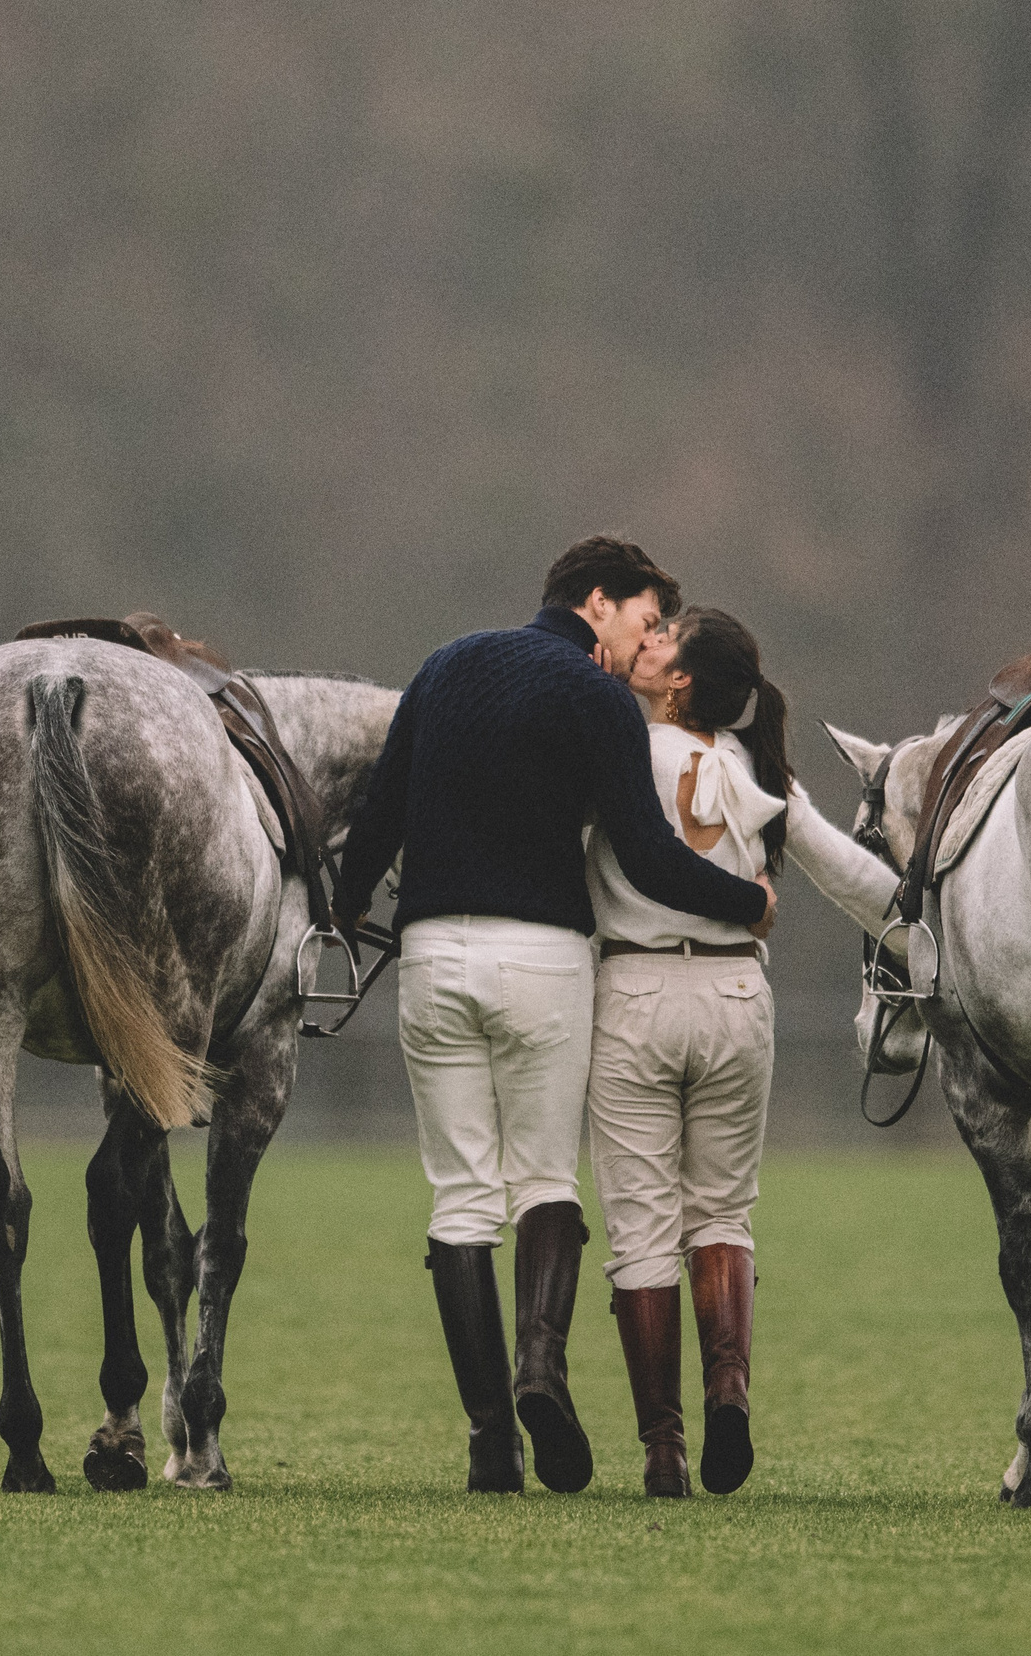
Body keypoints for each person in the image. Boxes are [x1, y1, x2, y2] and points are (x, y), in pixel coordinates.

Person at [331, 537, 777, 1496]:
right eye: (647, 621)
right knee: (543, 1181)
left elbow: (380, 810)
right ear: (599, 602)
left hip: (433, 954)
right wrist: (749, 901)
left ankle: (492, 1440)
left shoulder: (445, 663)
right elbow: (649, 855)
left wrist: (348, 901)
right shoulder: (599, 700)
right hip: (542, 958)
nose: (649, 642)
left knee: (459, 1200)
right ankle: (541, 1369)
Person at [585, 607, 898, 1497]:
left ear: (680, 681)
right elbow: (848, 873)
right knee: (720, 1214)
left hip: (637, 992)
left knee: (641, 1229)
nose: (653, 637)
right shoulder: (759, 767)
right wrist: (931, 942)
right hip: (733, 994)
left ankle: (663, 1449)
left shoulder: (622, 746)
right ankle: (729, 1388)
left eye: (668, 634)